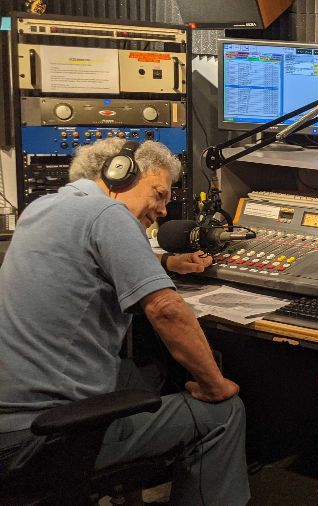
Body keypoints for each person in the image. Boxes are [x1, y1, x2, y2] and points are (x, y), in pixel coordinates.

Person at [0, 138, 251, 505]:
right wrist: (215, 385)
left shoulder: (43, 208)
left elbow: (88, 255)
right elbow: (165, 308)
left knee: (144, 373)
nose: (162, 210)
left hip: (11, 416)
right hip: (40, 438)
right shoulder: (109, 215)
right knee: (224, 411)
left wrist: (164, 263)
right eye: (159, 194)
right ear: (121, 174)